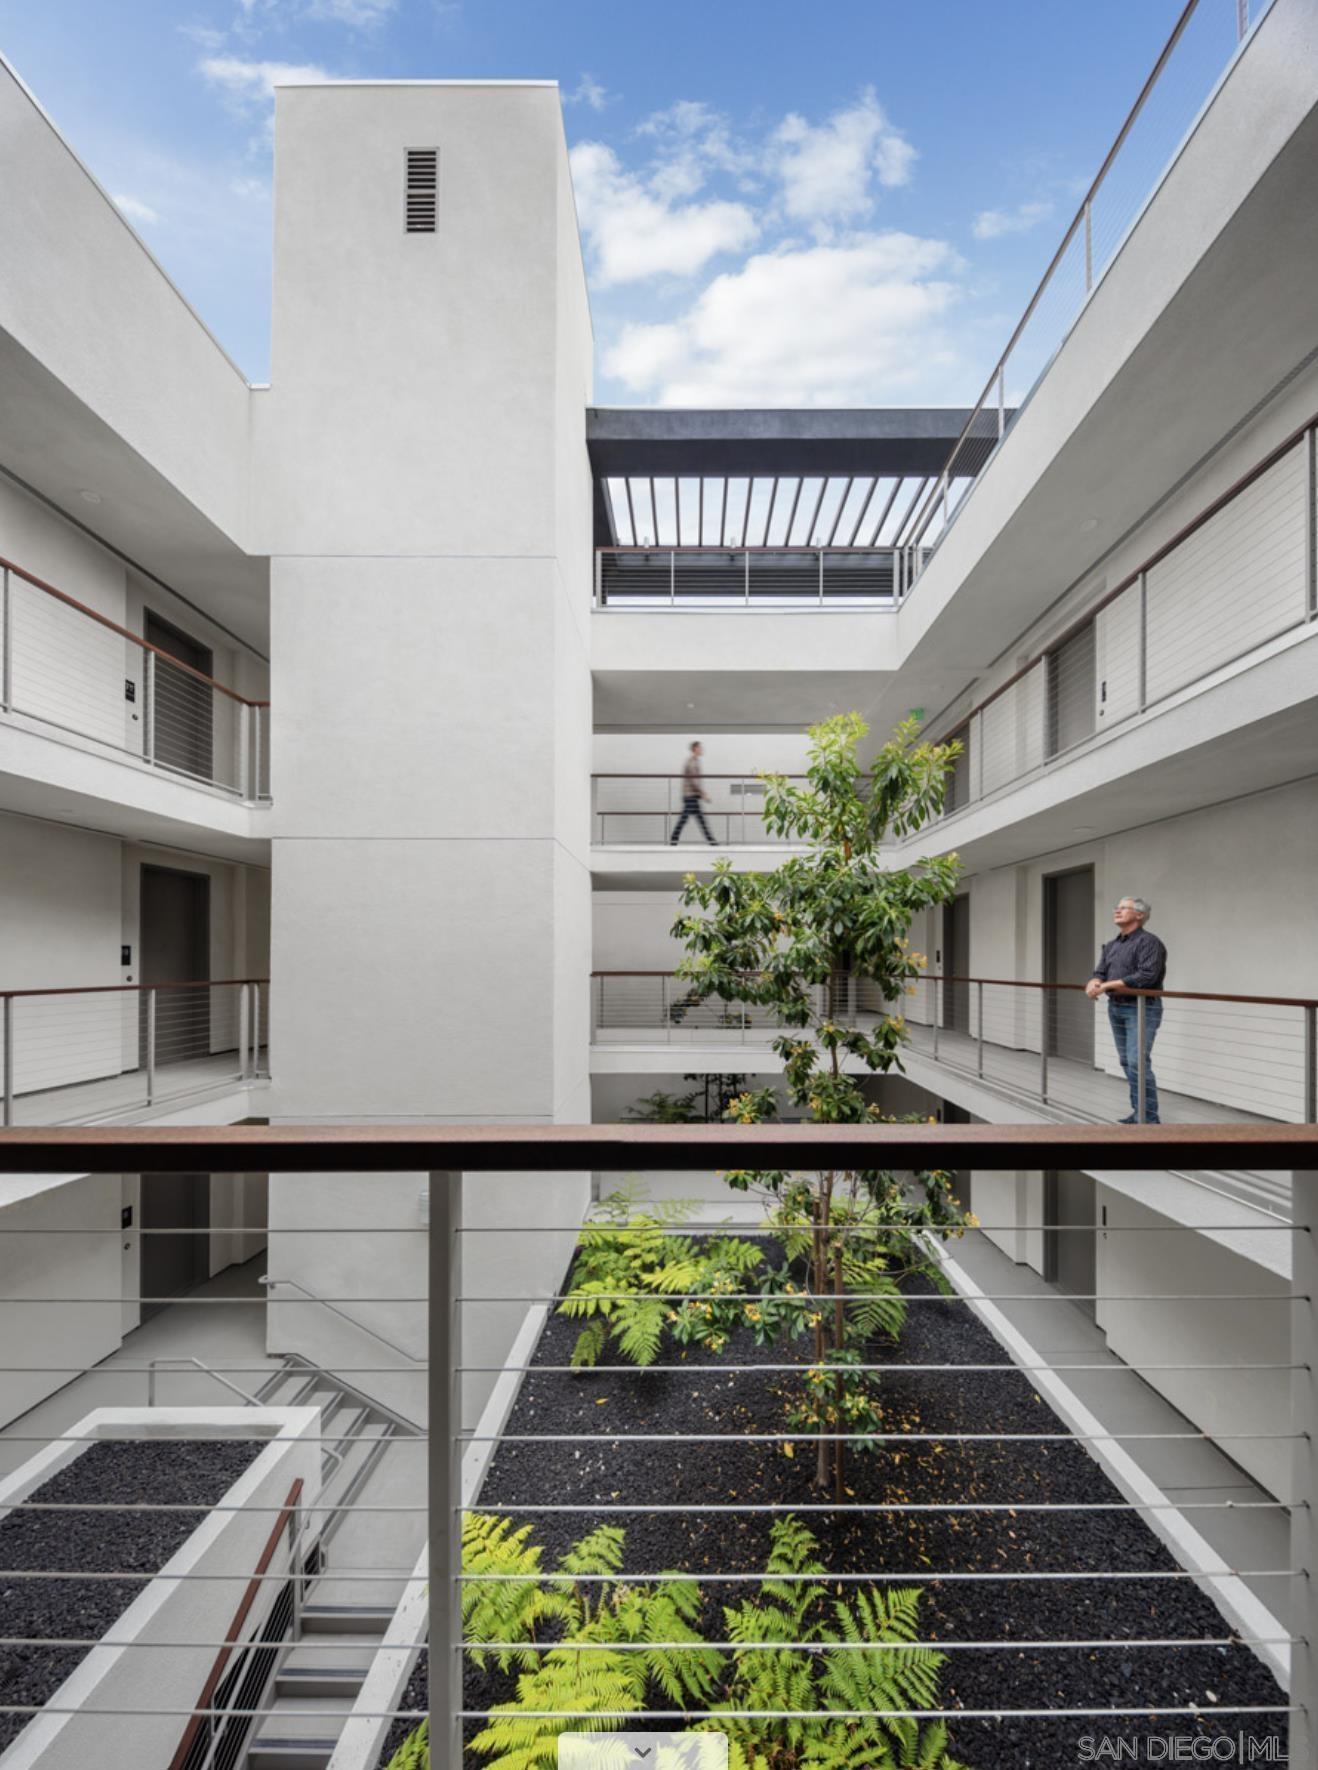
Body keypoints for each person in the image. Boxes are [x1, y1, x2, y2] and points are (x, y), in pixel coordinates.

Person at [1085, 896, 1168, 1123]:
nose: (1117, 910)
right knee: (1126, 1061)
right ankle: (1140, 1112)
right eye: (1116, 907)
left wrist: (1108, 985)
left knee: (1136, 1062)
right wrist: (1094, 981)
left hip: (1141, 1007)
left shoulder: (1149, 942)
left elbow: (1147, 976)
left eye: (1123, 908)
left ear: (1139, 915)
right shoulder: (1112, 945)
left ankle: (1148, 1118)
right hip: (1116, 1007)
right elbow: (1100, 972)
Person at [670, 741, 717, 845]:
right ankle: (712, 842)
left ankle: (712, 842)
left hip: (693, 795)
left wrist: (701, 794)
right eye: (700, 748)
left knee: (699, 820)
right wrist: (703, 794)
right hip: (690, 796)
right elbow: (693, 781)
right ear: (695, 749)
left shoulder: (695, 761)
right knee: (687, 819)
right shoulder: (691, 762)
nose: (702, 749)